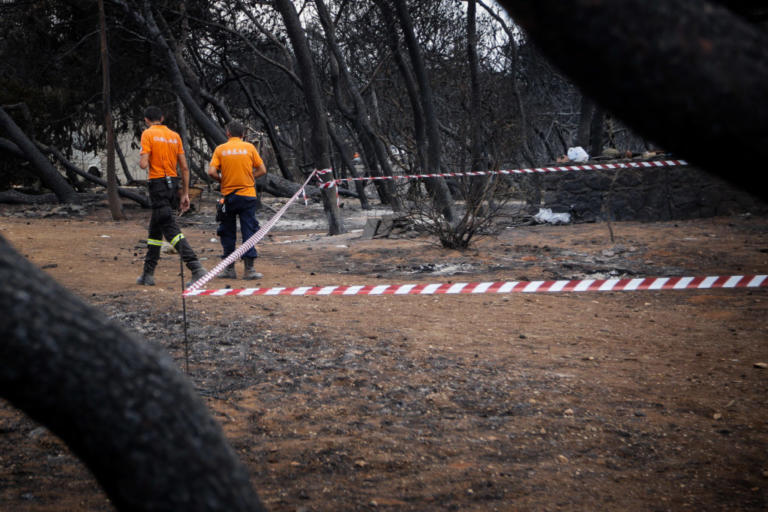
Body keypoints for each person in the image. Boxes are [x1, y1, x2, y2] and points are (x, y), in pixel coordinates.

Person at [136, 106, 206, 286]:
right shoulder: (174, 136)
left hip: (157, 185)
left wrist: (144, 157)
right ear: (162, 117)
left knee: (168, 226)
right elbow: (184, 167)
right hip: (172, 184)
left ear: (146, 120)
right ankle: (148, 273)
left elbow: (143, 164)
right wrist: (184, 193)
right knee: (155, 230)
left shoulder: (148, 134)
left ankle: (195, 266)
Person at [207, 120, 267, 280]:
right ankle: (249, 270)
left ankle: (229, 269)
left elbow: (211, 172)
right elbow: (262, 169)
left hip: (229, 197)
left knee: (227, 231)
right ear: (243, 135)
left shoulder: (220, 149)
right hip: (247, 195)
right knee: (249, 230)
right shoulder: (249, 148)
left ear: (227, 133)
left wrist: (222, 180)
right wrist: (250, 178)